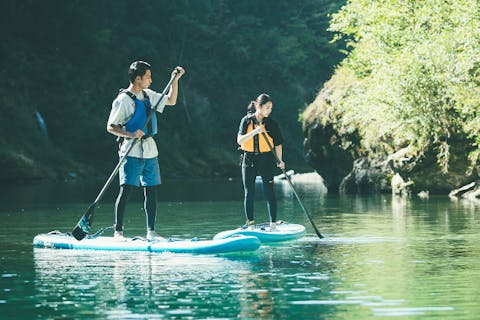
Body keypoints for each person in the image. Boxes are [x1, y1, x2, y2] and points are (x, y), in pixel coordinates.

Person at [107, 61, 185, 240]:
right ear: (138, 79)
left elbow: (172, 101)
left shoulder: (149, 95)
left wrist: (175, 80)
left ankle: (151, 231)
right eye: (148, 77)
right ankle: (118, 231)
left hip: (150, 150)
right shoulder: (123, 100)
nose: (151, 80)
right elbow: (111, 127)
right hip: (131, 150)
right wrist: (130, 133)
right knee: (126, 190)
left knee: (151, 190)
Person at [237, 93, 285, 231]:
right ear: (259, 106)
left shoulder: (271, 123)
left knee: (269, 190)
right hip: (248, 159)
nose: (269, 111)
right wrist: (255, 132)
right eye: (267, 108)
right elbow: (240, 141)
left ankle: (273, 225)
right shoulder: (246, 121)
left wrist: (280, 160)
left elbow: (278, 144)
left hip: (266, 159)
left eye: (271, 108)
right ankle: (250, 225)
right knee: (249, 191)